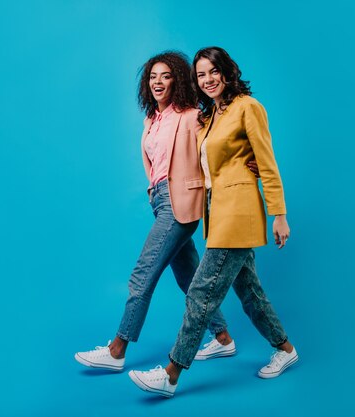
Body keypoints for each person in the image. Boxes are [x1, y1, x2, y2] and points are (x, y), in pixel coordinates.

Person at [128, 46, 298, 398]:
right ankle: (285, 350)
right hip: (217, 213)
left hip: (239, 212)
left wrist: (278, 214)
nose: (207, 80)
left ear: (227, 72)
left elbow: (266, 163)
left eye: (212, 71)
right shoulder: (210, 117)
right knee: (248, 290)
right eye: (200, 74)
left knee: (201, 291)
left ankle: (172, 373)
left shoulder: (248, 108)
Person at [75, 51, 258, 371]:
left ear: (178, 80)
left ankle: (117, 349)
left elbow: (217, 142)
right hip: (159, 201)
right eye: (153, 77)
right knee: (188, 277)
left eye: (166, 76)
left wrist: (247, 162)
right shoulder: (151, 120)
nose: (158, 82)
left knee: (142, 275)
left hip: (179, 204)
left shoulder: (189, 115)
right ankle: (224, 338)